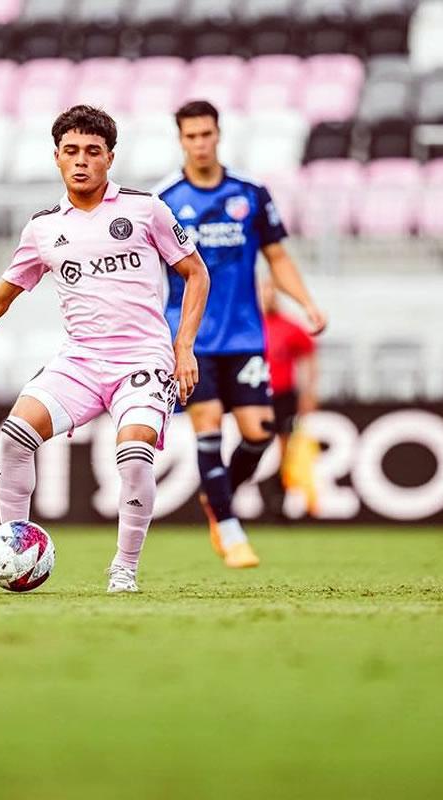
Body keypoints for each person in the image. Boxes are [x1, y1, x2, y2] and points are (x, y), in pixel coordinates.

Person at [0, 105, 210, 594]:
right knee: (16, 434)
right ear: (57, 158)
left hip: (143, 360)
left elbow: (196, 273)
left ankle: (123, 568)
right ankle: (9, 545)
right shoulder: (43, 229)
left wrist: (183, 346)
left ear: (110, 158)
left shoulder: (146, 209)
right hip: (81, 359)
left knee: (134, 453)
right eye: (71, 151)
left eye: (92, 152)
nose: (81, 161)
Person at [154, 100, 326, 568]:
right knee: (207, 426)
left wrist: (305, 302)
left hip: (246, 336)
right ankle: (230, 531)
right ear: (181, 139)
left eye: (207, 134)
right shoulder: (164, 199)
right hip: (192, 339)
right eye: (191, 136)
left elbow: (278, 257)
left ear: (218, 134)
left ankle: (219, 497)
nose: (200, 143)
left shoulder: (249, 192)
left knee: (261, 432)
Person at [258, 278, 319, 517]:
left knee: (285, 449)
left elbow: (309, 358)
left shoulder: (290, 327)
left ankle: (278, 494)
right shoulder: (249, 326)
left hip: (283, 395)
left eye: (271, 293)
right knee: (255, 444)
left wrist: (309, 392)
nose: (268, 298)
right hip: (255, 396)